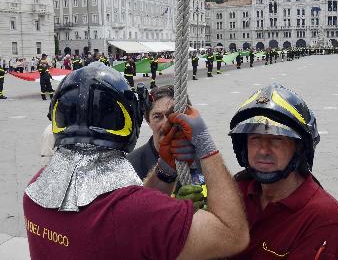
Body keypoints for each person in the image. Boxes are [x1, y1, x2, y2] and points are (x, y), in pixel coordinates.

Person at [23, 62, 249, 260]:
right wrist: (205, 145)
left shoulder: (36, 189)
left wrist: (166, 169)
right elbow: (233, 235)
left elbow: (129, 215)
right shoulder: (133, 212)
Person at [227, 83, 338, 259]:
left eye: (276, 139)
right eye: (255, 138)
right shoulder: (237, 190)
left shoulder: (323, 217)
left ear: (299, 148)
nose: (263, 150)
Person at [127, 85, 190, 180]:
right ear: (148, 121)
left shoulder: (203, 159)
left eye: (173, 114)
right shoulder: (131, 168)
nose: (166, 124)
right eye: (157, 116)